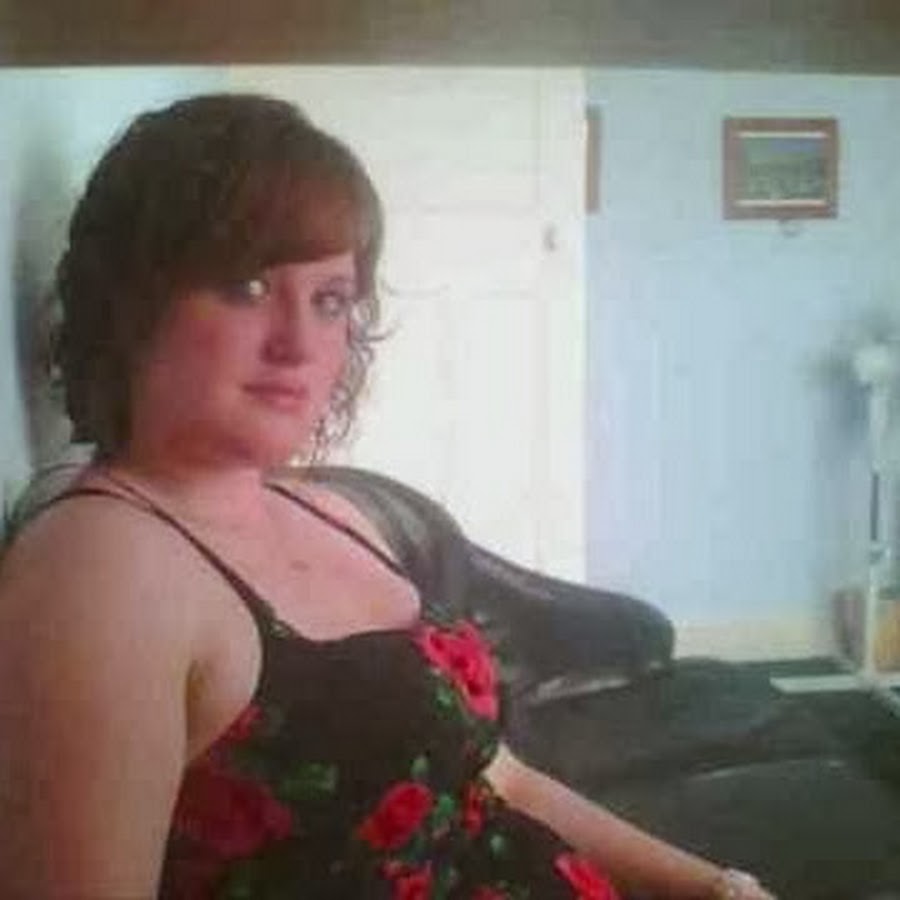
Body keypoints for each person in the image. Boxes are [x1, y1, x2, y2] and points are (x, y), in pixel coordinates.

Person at [0, 93, 775, 900]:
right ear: (133, 301)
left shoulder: (326, 509)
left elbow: (499, 780)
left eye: (330, 299)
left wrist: (717, 887)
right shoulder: (98, 574)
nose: (300, 343)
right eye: (248, 287)